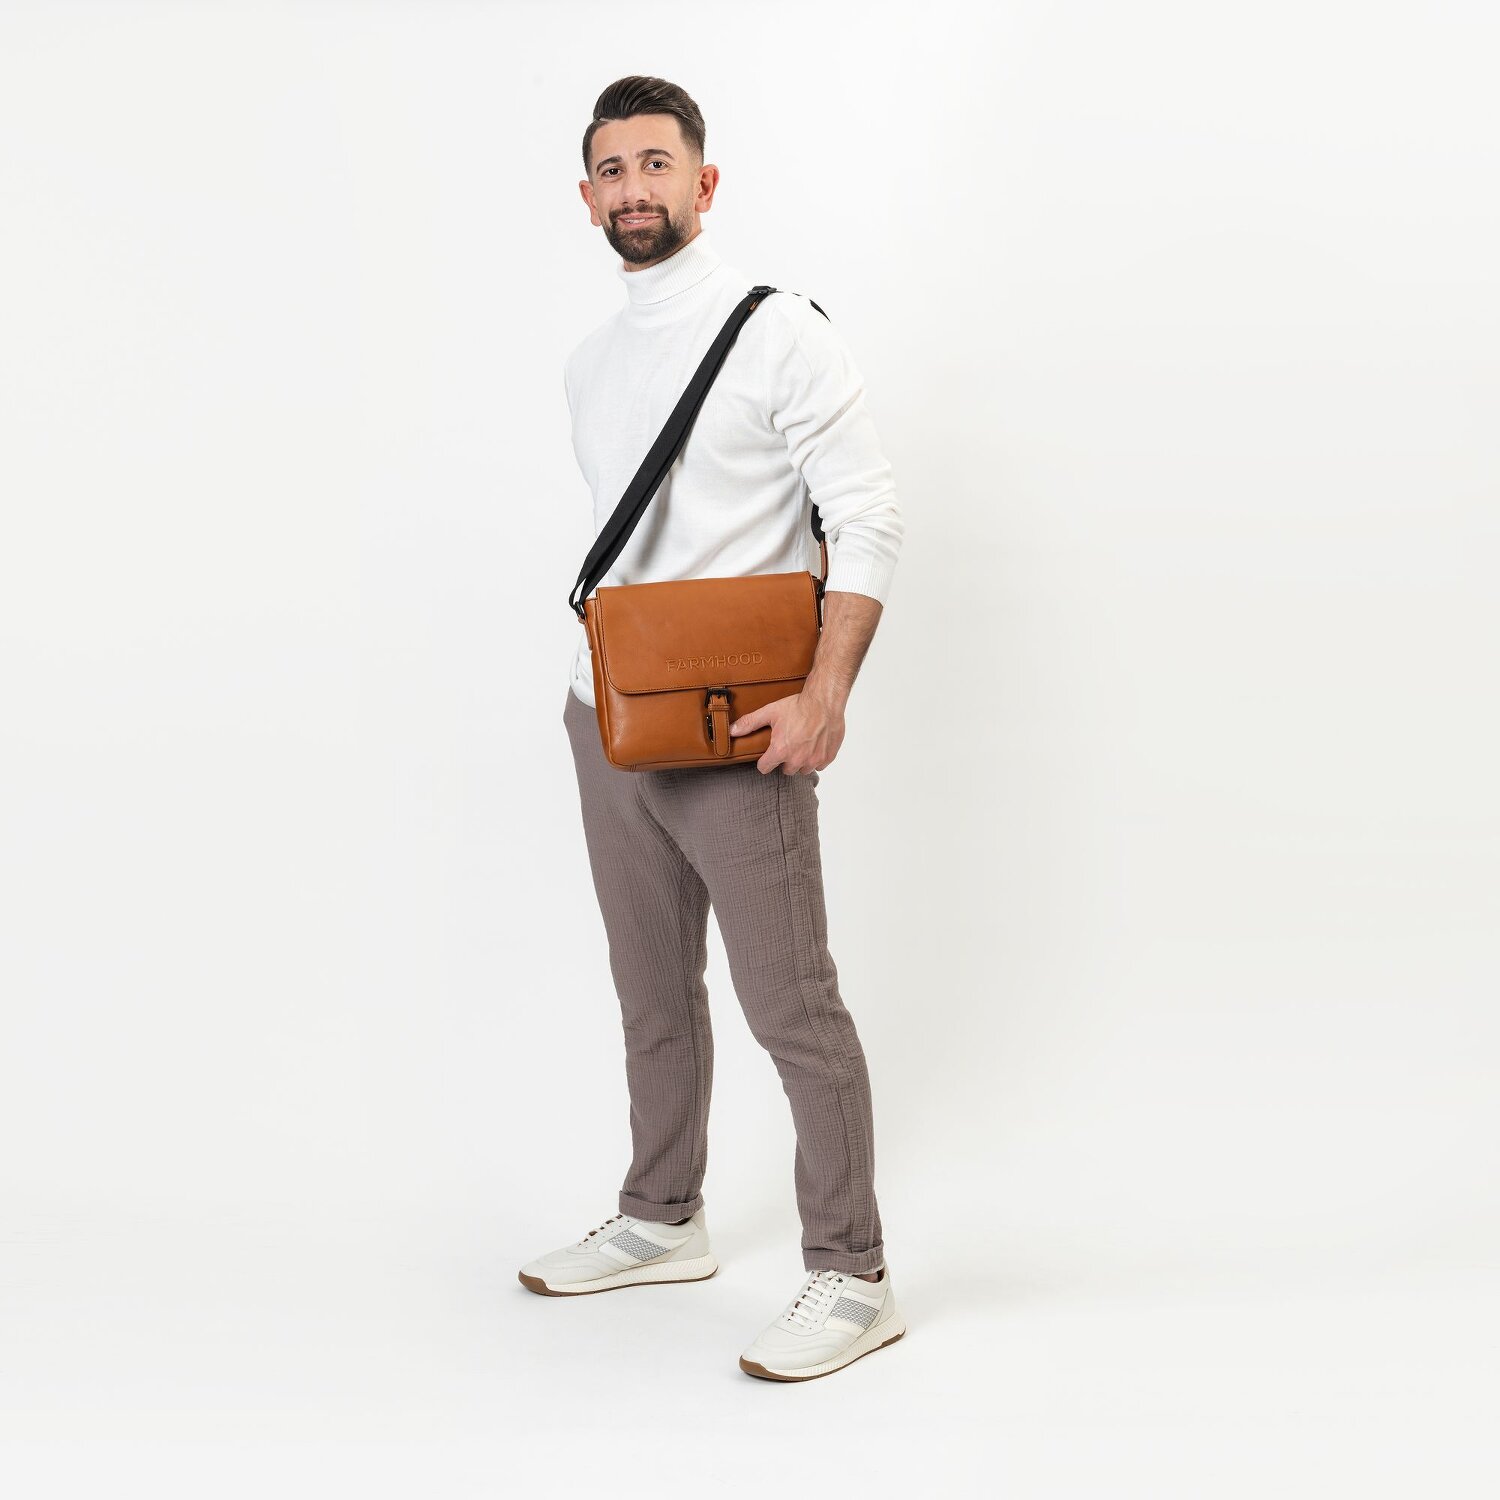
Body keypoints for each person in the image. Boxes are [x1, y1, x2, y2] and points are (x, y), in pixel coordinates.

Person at [518, 75, 906, 1383]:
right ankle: (660, 1218)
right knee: (650, 992)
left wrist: (828, 693)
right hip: (608, 718)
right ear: (588, 198)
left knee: (791, 1005)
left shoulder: (778, 331)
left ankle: (853, 1273)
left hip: (745, 728)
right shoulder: (590, 360)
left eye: (656, 163)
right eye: (611, 169)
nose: (634, 187)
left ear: (704, 181)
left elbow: (868, 516)